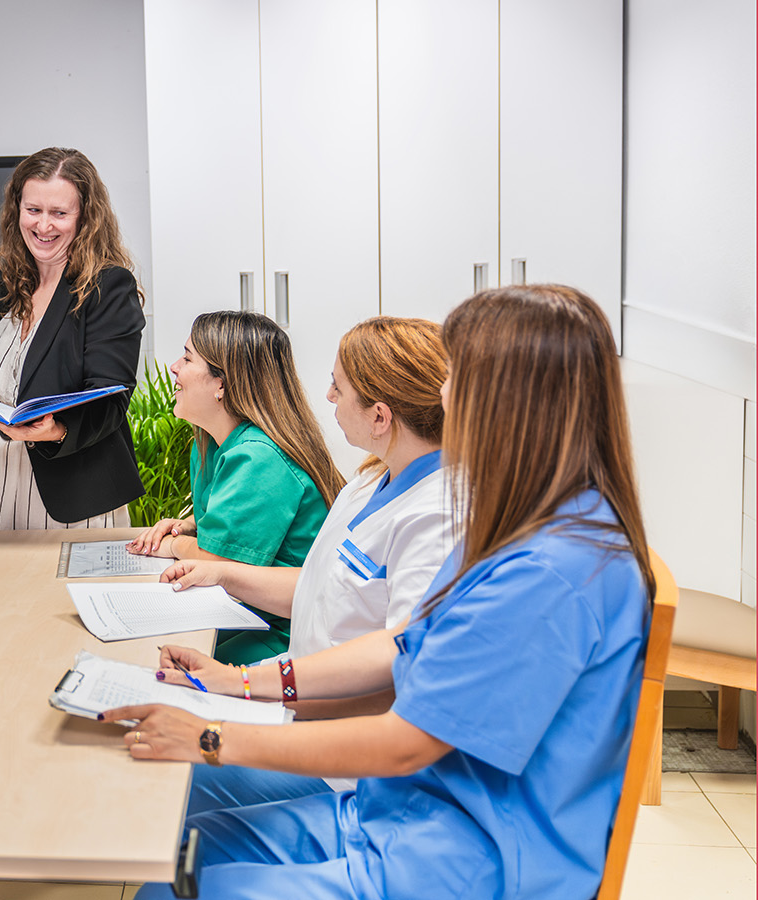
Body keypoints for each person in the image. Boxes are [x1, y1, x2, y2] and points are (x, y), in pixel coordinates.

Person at [106, 285, 655, 900]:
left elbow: (405, 742)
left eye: (457, 377)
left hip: (459, 860)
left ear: (507, 401)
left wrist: (211, 737)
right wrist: (235, 681)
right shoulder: (531, 526)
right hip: (395, 814)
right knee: (181, 850)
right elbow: (403, 645)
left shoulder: (549, 569)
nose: (441, 395)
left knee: (168, 882)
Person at [154, 317, 455, 814]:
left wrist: (246, 689)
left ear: (380, 416)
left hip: (342, 756)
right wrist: (223, 576)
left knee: (167, 778)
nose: (329, 397)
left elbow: (402, 675)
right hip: (297, 701)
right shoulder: (370, 482)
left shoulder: (437, 519)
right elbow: (319, 590)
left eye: (338, 387)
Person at [0, 147, 146, 529]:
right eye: (33, 210)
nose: (44, 225)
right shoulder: (5, 283)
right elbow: (6, 390)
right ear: (17, 209)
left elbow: (111, 401)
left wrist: (58, 430)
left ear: (85, 217)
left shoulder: (108, 287)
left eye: (59, 213)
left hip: (71, 495)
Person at [127, 311, 345, 663]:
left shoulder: (258, 457)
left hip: (290, 629)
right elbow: (238, 528)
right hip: (250, 610)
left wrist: (173, 544)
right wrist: (190, 526)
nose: (174, 368)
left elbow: (218, 562)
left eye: (187, 358)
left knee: (158, 663)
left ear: (222, 384)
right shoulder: (210, 443)